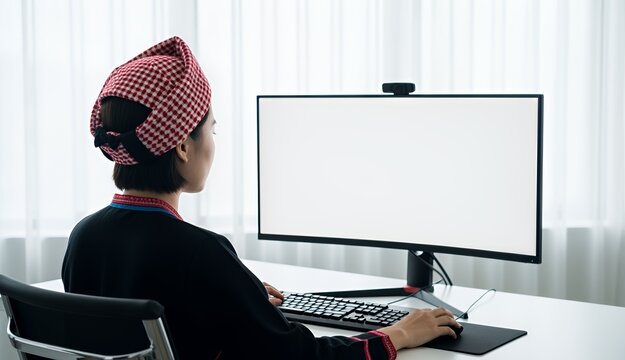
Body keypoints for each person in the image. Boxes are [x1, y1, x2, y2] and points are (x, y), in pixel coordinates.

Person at [62, 36, 461, 359]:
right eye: (211, 130)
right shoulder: (201, 254)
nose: (213, 144)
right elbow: (299, 359)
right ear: (183, 145)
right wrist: (399, 334)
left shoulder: (84, 237)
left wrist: (239, 297)